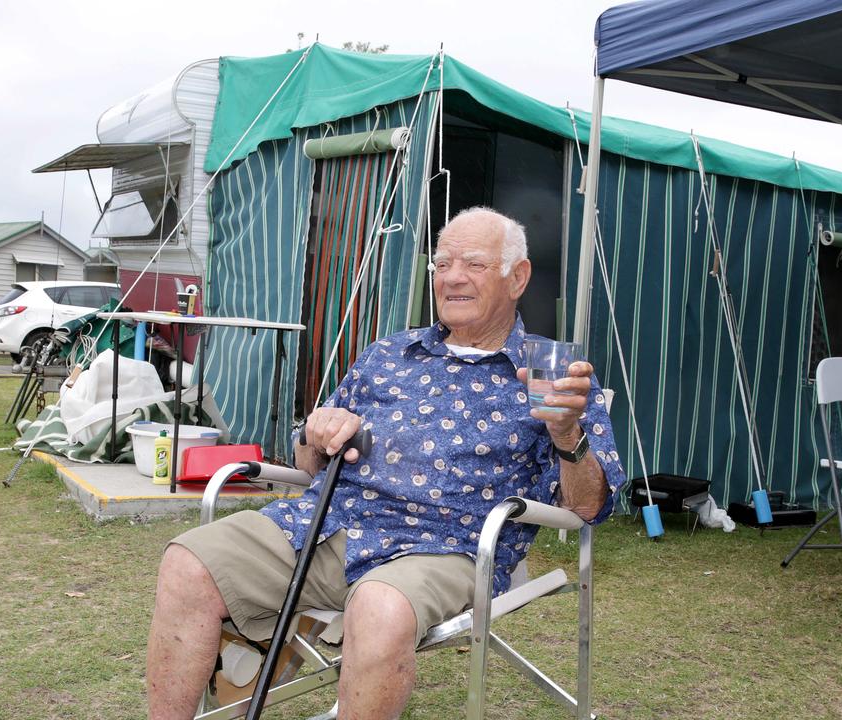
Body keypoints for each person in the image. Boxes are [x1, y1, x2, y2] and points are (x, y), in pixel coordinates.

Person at [147, 207, 626, 720]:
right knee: (188, 563)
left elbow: (587, 505)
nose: (453, 277)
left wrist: (566, 435)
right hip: (326, 525)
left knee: (381, 605)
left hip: (447, 547)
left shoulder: (548, 370)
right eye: (442, 265)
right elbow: (310, 465)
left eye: (475, 265)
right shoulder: (389, 353)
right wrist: (316, 432)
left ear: (518, 277)